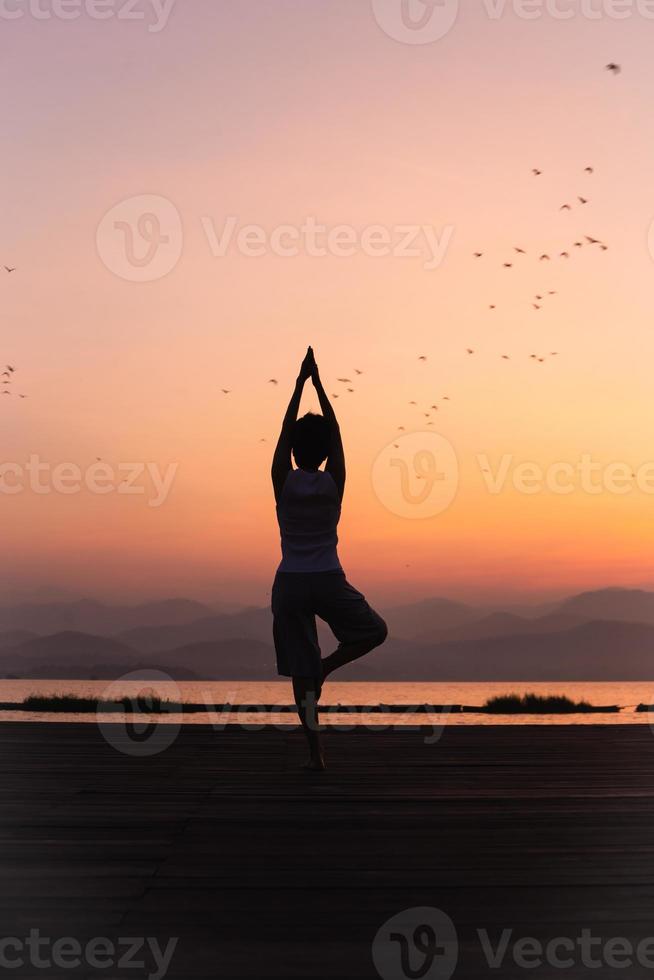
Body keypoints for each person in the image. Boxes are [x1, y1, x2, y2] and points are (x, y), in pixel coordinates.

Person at [271, 347, 388, 770]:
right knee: (374, 631)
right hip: (326, 578)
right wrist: (319, 385)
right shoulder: (334, 482)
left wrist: (298, 384)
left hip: (290, 584)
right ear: (322, 453)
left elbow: (285, 431)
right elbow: (335, 434)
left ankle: (315, 753)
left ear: (297, 451)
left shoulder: (281, 481)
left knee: (301, 677)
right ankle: (327, 667)